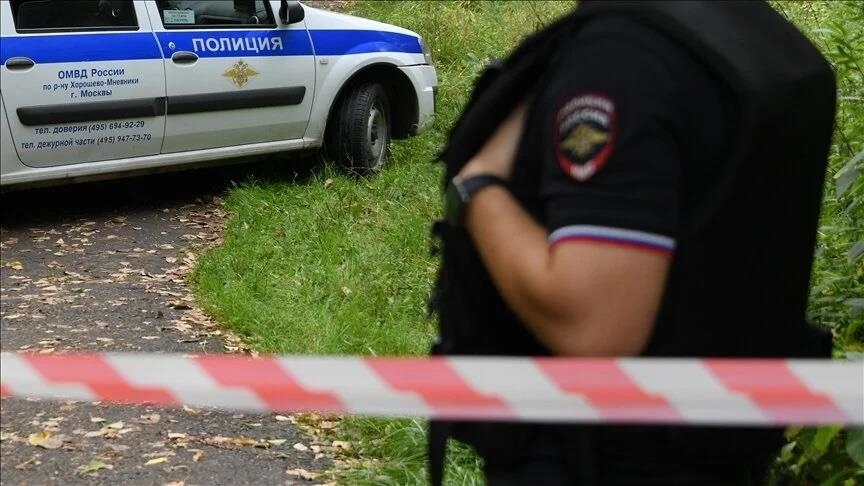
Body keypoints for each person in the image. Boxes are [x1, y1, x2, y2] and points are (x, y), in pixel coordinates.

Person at [429, 1, 837, 484]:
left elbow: (594, 327)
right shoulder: (760, 40)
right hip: (722, 453)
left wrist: (477, 189)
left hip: (595, 459)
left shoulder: (624, 61)